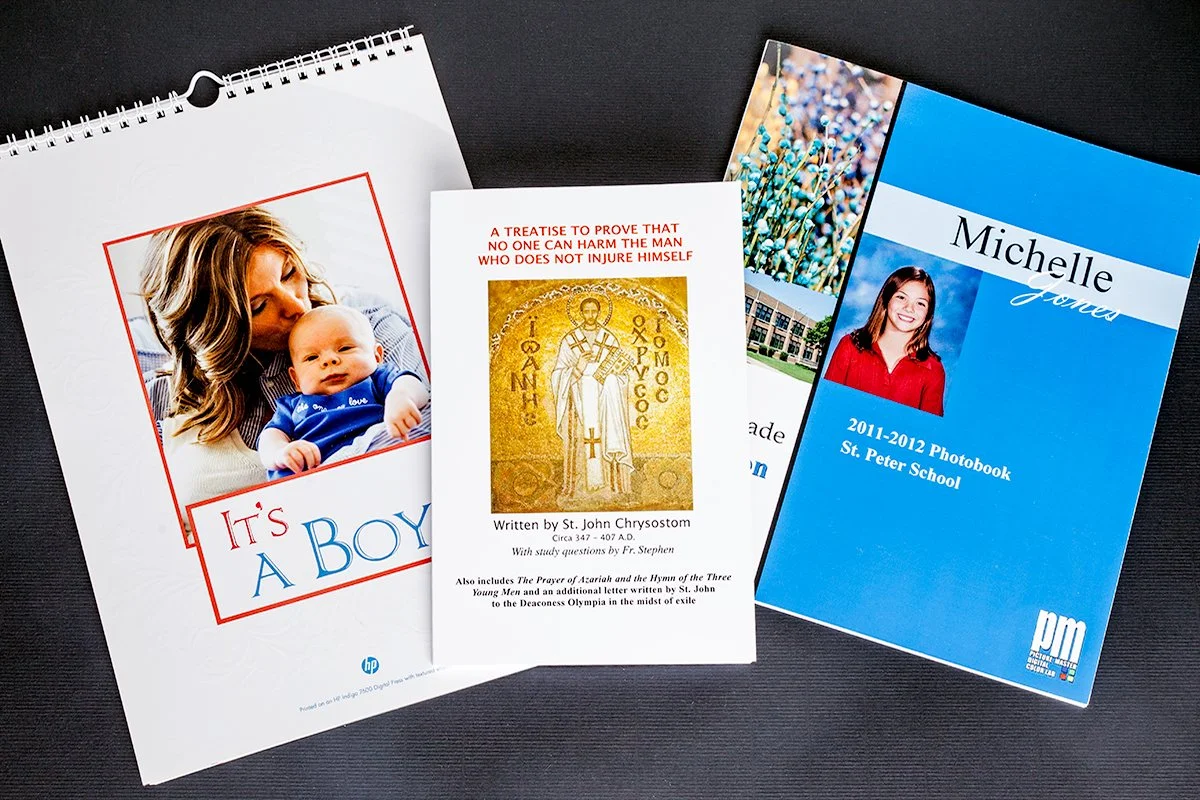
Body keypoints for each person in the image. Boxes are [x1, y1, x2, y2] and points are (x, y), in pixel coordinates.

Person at [137, 206, 430, 526]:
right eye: (259, 305)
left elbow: (429, 421)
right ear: (215, 331)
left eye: (289, 273)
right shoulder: (155, 389)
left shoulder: (363, 324)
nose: (296, 304)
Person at [257, 305, 430, 480]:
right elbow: (269, 437)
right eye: (312, 357)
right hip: (310, 478)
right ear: (296, 380)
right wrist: (280, 452)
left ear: (377, 356)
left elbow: (415, 385)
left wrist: (401, 396)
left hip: (370, 463)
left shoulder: (377, 379)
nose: (329, 360)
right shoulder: (291, 406)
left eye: (345, 348)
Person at [824, 266, 945, 415]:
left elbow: (927, 432)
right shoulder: (849, 346)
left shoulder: (933, 370)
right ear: (886, 299)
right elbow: (826, 407)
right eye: (901, 297)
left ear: (928, 314)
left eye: (920, 303)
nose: (909, 308)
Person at [549, 296, 635, 499]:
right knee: (583, 437)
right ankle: (577, 490)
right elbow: (558, 373)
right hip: (579, 398)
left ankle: (613, 487)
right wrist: (577, 368)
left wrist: (612, 378)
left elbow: (621, 373)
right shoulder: (570, 340)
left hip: (605, 397)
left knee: (605, 432)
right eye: (586, 311)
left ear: (599, 312)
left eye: (593, 311)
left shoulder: (609, 338)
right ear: (581, 313)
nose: (590, 315)